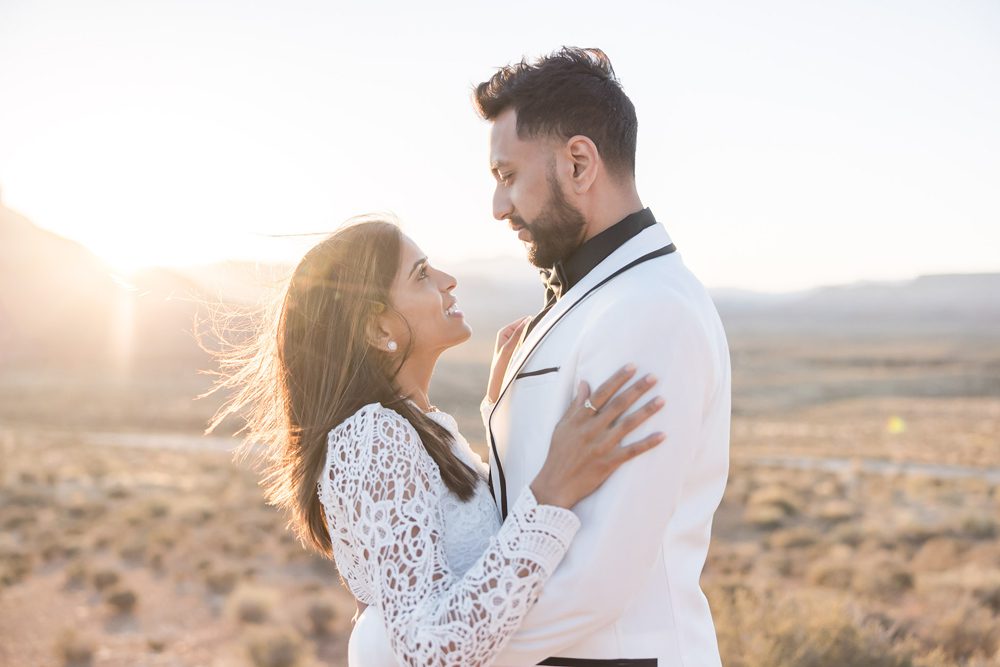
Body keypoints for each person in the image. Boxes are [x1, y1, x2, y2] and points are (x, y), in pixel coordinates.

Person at [203, 215, 666, 667]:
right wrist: (553, 492)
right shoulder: (372, 438)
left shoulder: (420, 427)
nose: (449, 280)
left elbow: (459, 541)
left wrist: (499, 410)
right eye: (421, 274)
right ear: (378, 328)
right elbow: (430, 648)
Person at [474, 47, 732, 665]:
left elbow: (598, 581)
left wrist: (454, 648)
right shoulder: (599, 296)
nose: (497, 207)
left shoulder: (649, 310)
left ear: (580, 163)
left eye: (508, 175)